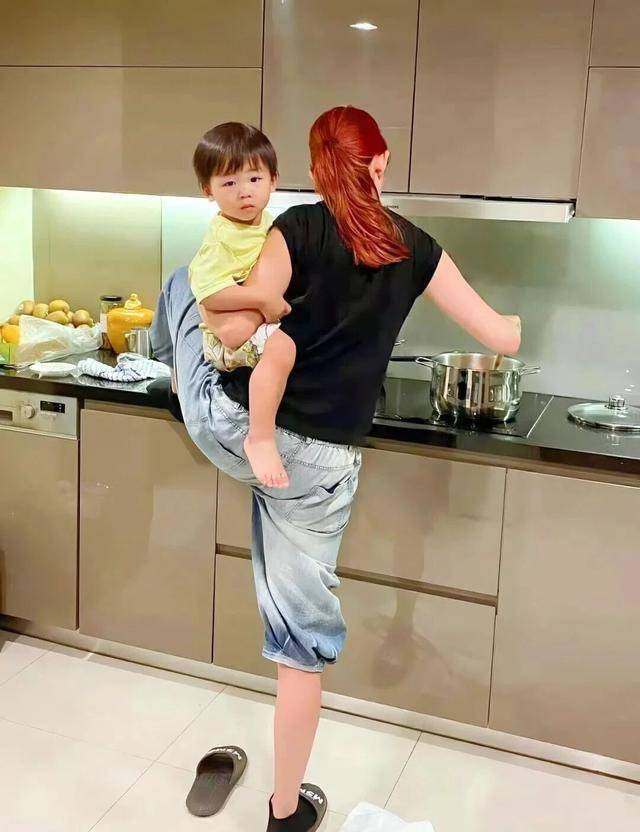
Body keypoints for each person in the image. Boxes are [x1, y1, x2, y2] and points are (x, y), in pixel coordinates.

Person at [151, 105, 521, 832]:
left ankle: (172, 374)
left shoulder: (294, 229)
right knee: (299, 650)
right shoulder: (417, 248)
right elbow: (501, 339)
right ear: (381, 163)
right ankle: (285, 812)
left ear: (316, 170)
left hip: (238, 430)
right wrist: (512, 328)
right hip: (319, 467)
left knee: (178, 284)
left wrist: (255, 310)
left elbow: (232, 326)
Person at [190, 122, 296, 488]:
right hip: (221, 341)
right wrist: (263, 298)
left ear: (273, 181)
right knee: (283, 349)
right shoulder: (222, 238)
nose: (244, 192)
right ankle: (260, 438)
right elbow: (209, 294)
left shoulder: (269, 224)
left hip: (249, 328)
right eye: (229, 183)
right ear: (208, 190)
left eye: (254, 178)